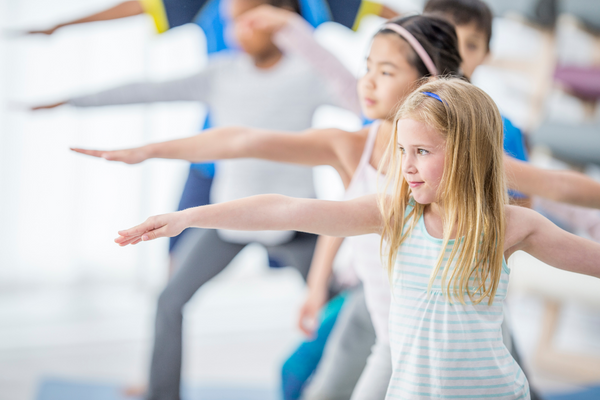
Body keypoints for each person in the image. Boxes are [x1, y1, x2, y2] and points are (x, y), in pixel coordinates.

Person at [72, 12, 600, 399]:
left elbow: (570, 198)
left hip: (466, 349)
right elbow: (280, 199)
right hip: (383, 324)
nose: (366, 83)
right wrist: (178, 200)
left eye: (384, 72)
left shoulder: (501, 208)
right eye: (403, 153)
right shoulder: (381, 189)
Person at [48, 1, 364, 399]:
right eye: (231, 22)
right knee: (169, 300)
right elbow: (147, 90)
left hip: (296, 221)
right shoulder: (221, 74)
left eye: (246, 20)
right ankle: (162, 394)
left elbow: (363, 102)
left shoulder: (309, 75)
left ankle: (343, 386)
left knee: (343, 311)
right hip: (228, 218)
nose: (234, 31)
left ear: (280, 16)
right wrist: (68, 101)